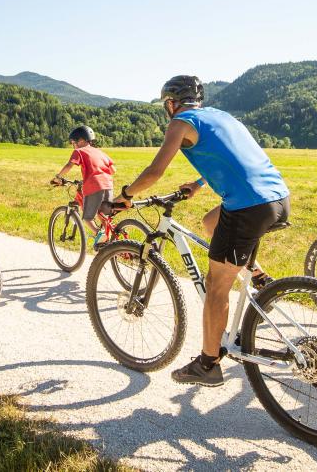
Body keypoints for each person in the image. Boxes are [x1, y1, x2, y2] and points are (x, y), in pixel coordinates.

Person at [114, 75, 290, 388]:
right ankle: (261, 278)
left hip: (247, 207)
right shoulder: (221, 117)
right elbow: (233, 158)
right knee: (211, 222)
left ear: (171, 103)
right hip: (277, 198)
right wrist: (197, 184)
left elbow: (155, 171)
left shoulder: (180, 122)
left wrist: (126, 195)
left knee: (216, 285)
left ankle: (208, 364)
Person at [51, 125, 116, 244]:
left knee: (87, 217)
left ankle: (98, 234)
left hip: (94, 186)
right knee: (104, 216)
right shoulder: (100, 152)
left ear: (81, 140)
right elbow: (112, 170)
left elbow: (69, 165)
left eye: (73, 142)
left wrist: (58, 177)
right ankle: (112, 241)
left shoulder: (79, 151)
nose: (73, 145)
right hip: (108, 185)